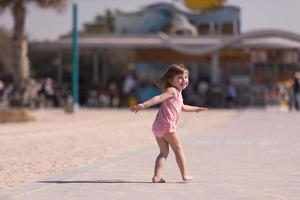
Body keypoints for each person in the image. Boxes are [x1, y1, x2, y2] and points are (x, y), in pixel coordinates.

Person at [130, 64, 207, 183]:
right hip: (167, 126)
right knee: (179, 149)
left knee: (163, 152)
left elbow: (182, 107)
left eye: (186, 77)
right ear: (171, 80)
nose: (184, 80)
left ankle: (156, 177)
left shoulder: (178, 94)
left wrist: (196, 109)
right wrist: (143, 105)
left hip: (158, 127)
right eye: (180, 78)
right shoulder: (172, 90)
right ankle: (185, 174)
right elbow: (158, 98)